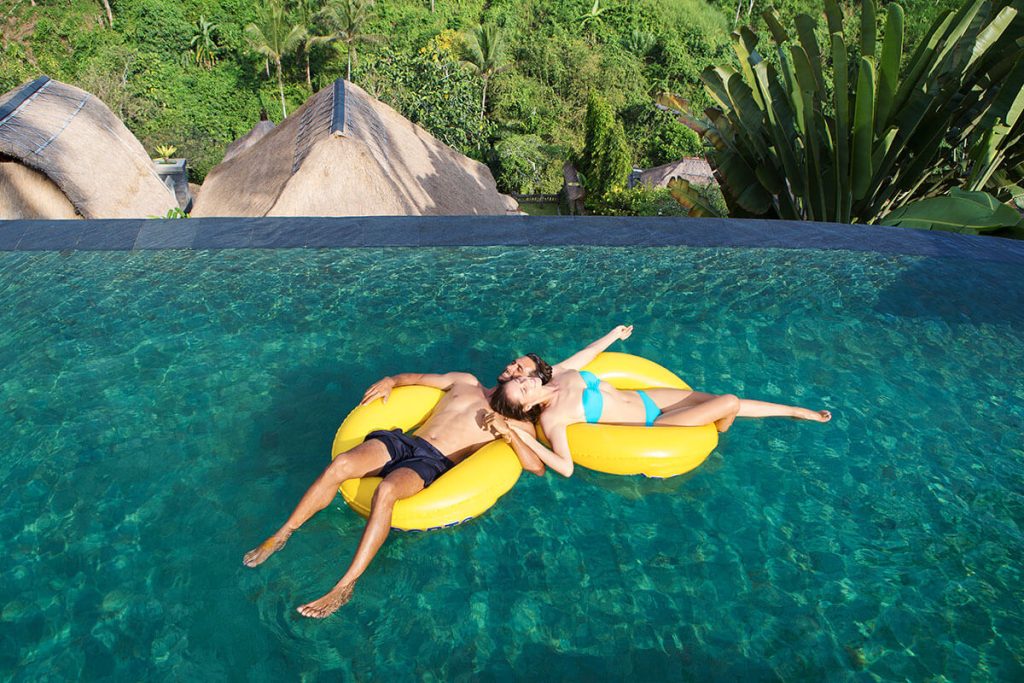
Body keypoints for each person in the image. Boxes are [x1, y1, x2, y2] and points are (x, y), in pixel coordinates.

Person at [242, 326, 632, 618]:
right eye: (516, 365)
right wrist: (391, 380)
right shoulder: (464, 382)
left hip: (430, 462)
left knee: (386, 493)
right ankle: (282, 535)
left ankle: (344, 586)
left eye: (523, 371)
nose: (514, 368)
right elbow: (417, 379)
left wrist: (509, 434)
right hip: (403, 441)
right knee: (341, 465)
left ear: (528, 386)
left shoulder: (517, 423)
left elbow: (536, 468)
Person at [486, 325, 832, 477]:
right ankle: (720, 430)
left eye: (520, 380)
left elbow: (586, 355)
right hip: (655, 423)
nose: (524, 380)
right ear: (527, 406)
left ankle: (794, 411)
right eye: (522, 390)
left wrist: (614, 335)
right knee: (728, 402)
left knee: (725, 398)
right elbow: (565, 467)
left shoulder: (557, 375)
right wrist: (518, 436)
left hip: (648, 397)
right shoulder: (552, 419)